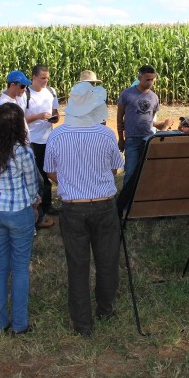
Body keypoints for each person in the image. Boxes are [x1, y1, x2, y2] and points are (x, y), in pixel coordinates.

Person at [45, 81, 124, 336]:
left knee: (77, 266)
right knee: (108, 260)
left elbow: (50, 171)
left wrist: (71, 181)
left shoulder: (57, 135)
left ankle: (82, 324)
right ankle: (106, 309)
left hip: (72, 207)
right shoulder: (105, 134)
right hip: (104, 204)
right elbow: (114, 168)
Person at [0, 103, 42, 334]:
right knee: (21, 268)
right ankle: (20, 323)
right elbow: (32, 183)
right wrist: (35, 202)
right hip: (18, 211)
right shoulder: (22, 151)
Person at [25, 65, 59, 227]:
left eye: (47, 78)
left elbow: (56, 112)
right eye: (42, 78)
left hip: (48, 138)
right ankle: (38, 209)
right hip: (32, 139)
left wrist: (54, 118)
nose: (46, 81)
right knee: (37, 176)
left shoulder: (51, 92)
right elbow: (21, 119)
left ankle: (48, 205)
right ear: (33, 77)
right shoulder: (26, 94)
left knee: (48, 172)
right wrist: (39, 116)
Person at [117, 65, 160, 184]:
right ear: (139, 77)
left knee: (146, 171)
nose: (150, 82)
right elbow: (120, 117)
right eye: (147, 79)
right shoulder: (127, 94)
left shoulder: (154, 97)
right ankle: (126, 201)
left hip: (148, 139)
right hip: (132, 139)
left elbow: (151, 118)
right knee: (130, 171)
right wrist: (121, 138)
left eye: (152, 79)